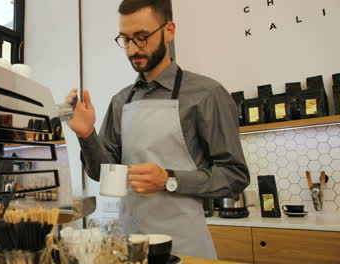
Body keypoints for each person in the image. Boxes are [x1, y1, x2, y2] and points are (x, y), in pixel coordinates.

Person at [66, 0, 250, 259]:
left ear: (169, 31)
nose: (132, 49)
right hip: (130, 247)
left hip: (186, 248)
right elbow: (103, 173)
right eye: (125, 39)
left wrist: (169, 179)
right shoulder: (121, 102)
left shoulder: (207, 95)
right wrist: (87, 135)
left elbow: (235, 176)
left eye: (141, 37)